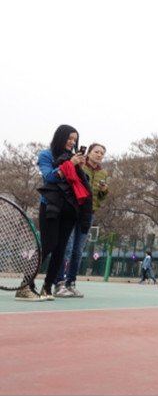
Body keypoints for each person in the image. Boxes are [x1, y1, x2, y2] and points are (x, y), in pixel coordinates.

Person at [16, 124, 91, 301]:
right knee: (48, 245)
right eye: (69, 138)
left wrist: (79, 168)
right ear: (60, 137)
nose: (72, 142)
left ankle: (47, 287)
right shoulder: (46, 155)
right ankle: (25, 285)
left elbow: (81, 184)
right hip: (51, 206)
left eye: (74, 140)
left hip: (70, 208)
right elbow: (49, 177)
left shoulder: (73, 157)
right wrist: (69, 165)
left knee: (60, 249)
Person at [54, 143, 109, 298]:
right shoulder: (80, 166)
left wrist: (104, 191)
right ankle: (59, 283)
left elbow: (99, 198)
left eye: (102, 153)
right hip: (73, 211)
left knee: (78, 251)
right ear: (89, 153)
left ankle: (71, 283)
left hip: (88, 214)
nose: (99, 155)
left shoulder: (103, 173)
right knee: (67, 248)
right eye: (96, 151)